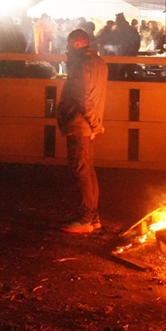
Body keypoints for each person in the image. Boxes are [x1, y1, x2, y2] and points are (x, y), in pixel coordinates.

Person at [56, 29, 108, 233]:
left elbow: (82, 98)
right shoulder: (99, 63)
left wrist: (93, 123)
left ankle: (86, 218)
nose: (67, 48)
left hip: (79, 125)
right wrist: (96, 123)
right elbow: (94, 96)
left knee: (81, 172)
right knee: (88, 171)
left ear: (78, 44)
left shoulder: (80, 66)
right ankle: (92, 216)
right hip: (88, 125)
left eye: (70, 44)